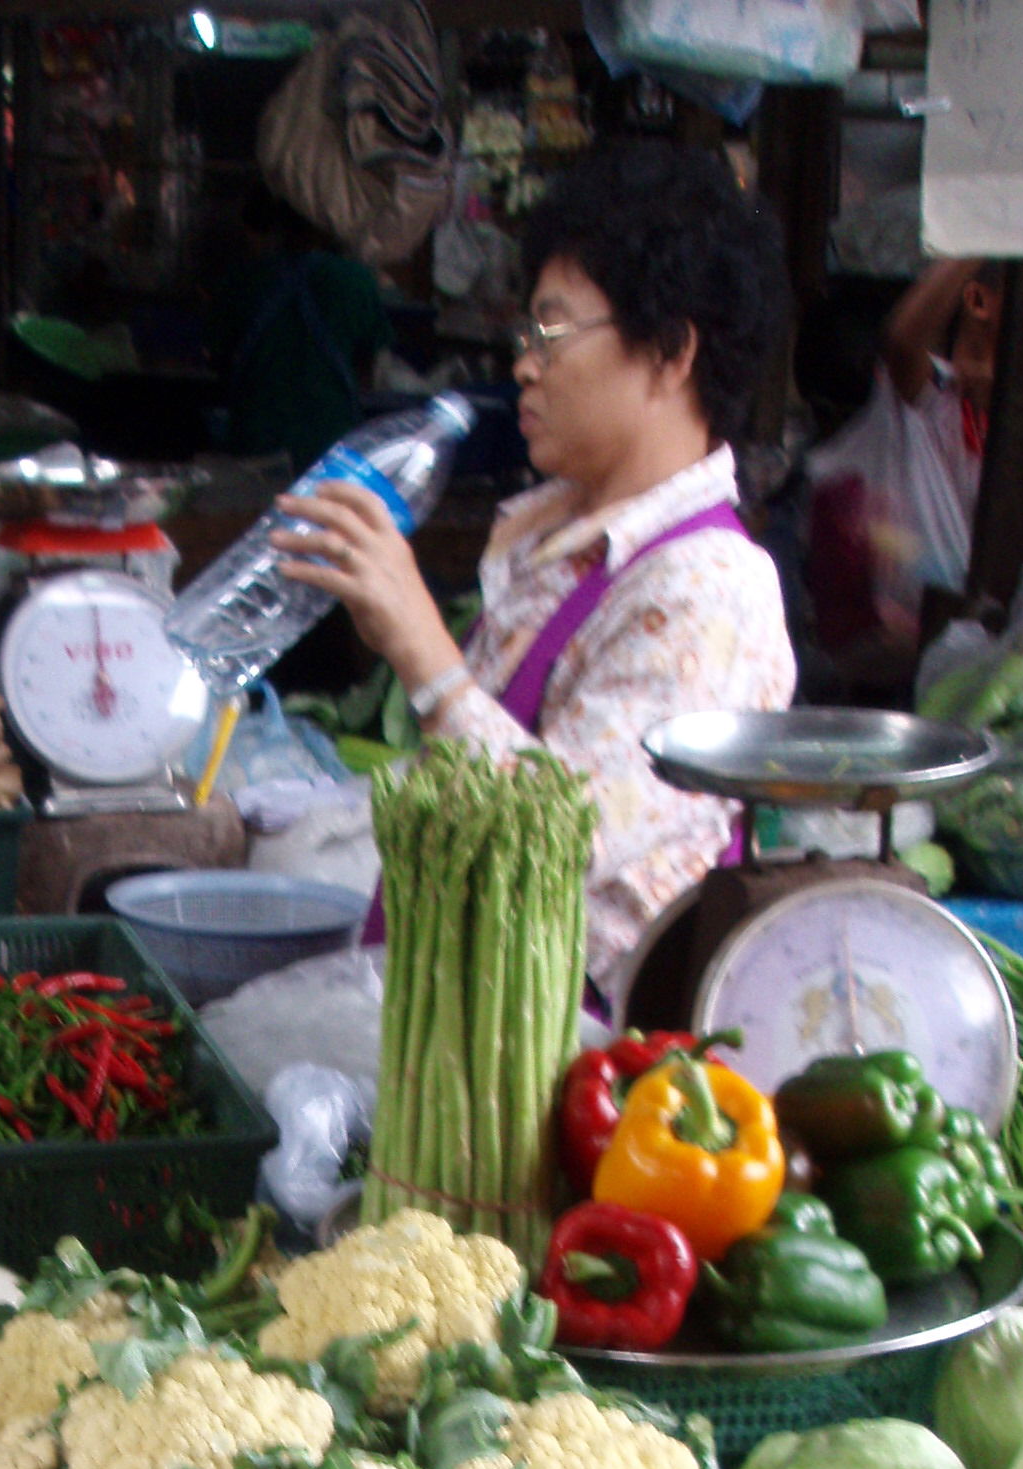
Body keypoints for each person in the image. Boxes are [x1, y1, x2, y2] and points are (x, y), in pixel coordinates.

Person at [268, 142, 794, 1002]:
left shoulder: (709, 590)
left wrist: (426, 659)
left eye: (551, 331)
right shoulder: (565, 539)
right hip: (453, 1020)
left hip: (555, 1066)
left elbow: (568, 836)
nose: (524, 364)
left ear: (670, 354)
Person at [805, 255, 1001, 671]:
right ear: (978, 301)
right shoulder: (935, 395)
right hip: (893, 644)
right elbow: (903, 340)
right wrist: (986, 230)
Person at [214, 178, 392, 476]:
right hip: (329, 440)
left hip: (256, 438)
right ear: (331, 219)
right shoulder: (356, 281)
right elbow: (367, 367)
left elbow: (220, 359)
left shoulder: (243, 279)